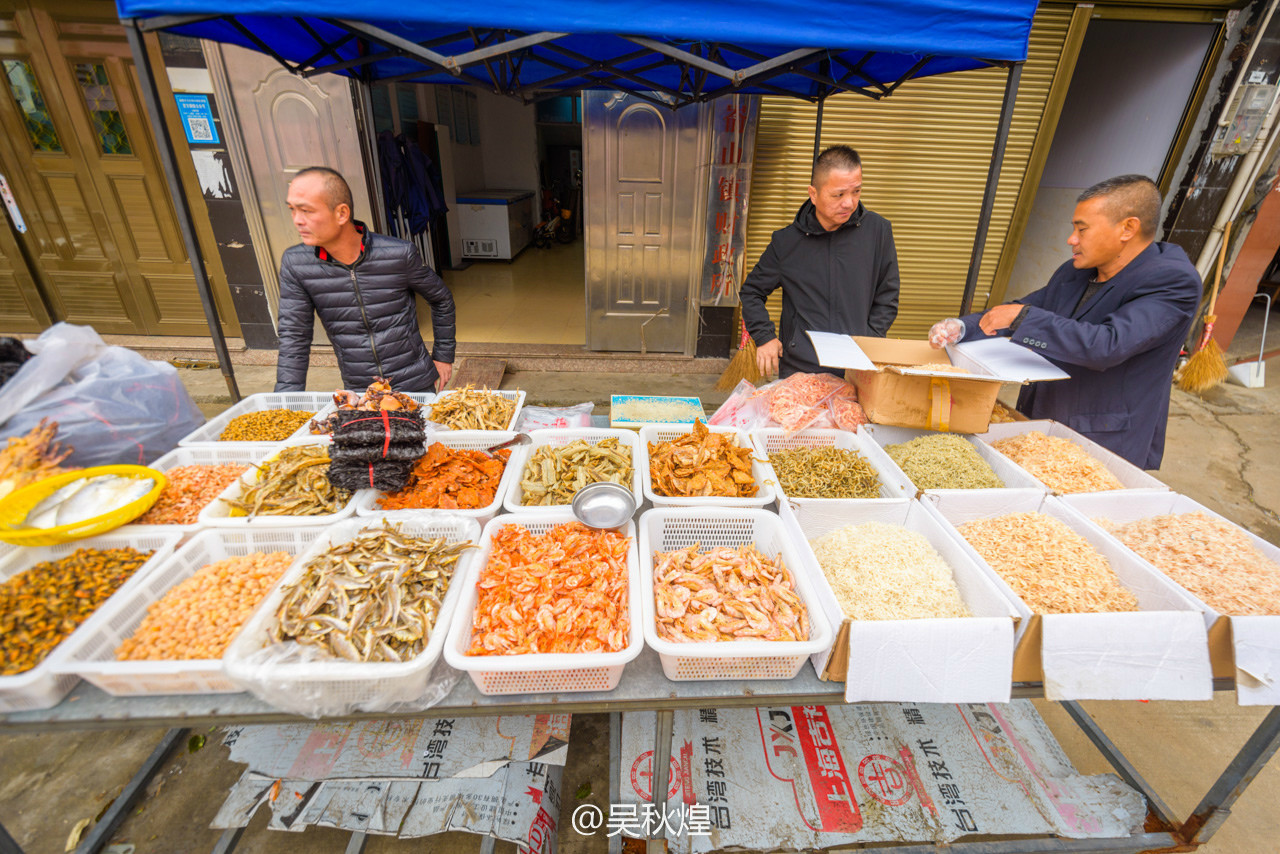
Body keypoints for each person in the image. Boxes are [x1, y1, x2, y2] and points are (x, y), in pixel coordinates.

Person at [929, 174, 1200, 469]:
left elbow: (1107, 345)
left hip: (1101, 439)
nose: (1071, 239)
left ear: (1128, 228)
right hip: (1041, 420)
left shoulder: (1172, 281)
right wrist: (963, 327)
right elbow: (1023, 309)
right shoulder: (1076, 271)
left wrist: (1022, 318)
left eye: (1082, 230)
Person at [274, 166, 455, 393]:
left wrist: (443, 356)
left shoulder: (398, 254)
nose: (297, 220)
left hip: (414, 383)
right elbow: (294, 336)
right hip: (361, 391)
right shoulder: (297, 264)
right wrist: (285, 403)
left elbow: (442, 299)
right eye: (292, 209)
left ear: (341, 213)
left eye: (307, 211)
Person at [739, 145, 900, 378]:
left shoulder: (878, 231)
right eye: (839, 194)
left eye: (856, 191)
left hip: (856, 368)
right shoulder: (786, 242)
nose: (849, 203)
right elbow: (751, 292)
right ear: (813, 194)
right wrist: (765, 337)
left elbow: (887, 296)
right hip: (800, 368)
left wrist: (868, 342)